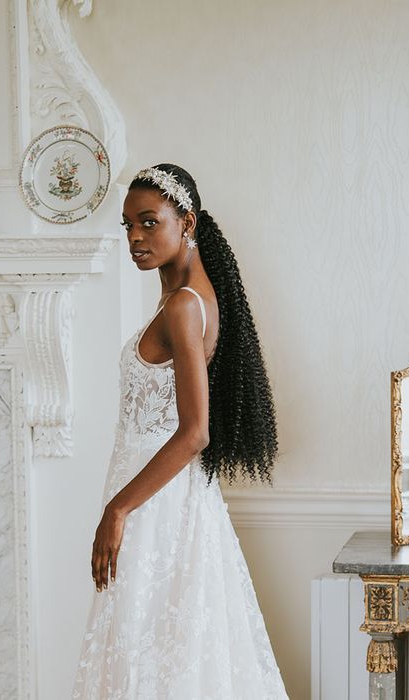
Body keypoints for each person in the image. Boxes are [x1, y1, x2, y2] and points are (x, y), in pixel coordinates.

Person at [72, 164, 288, 699]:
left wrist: (118, 509)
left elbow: (195, 433)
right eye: (127, 226)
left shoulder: (186, 306)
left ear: (186, 221)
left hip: (157, 506)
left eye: (149, 222)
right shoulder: (180, 299)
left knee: (150, 650)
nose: (135, 238)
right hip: (163, 495)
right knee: (160, 651)